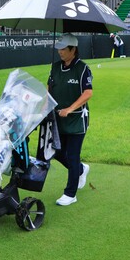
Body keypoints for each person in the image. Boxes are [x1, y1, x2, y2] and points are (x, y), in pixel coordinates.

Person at [47, 33, 92, 206]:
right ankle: (81, 169)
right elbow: (49, 88)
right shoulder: (55, 67)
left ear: (73, 50)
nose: (60, 52)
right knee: (58, 152)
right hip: (58, 118)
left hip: (76, 120)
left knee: (72, 155)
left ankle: (70, 193)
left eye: (63, 49)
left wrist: (70, 109)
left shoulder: (82, 68)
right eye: (58, 49)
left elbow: (88, 93)